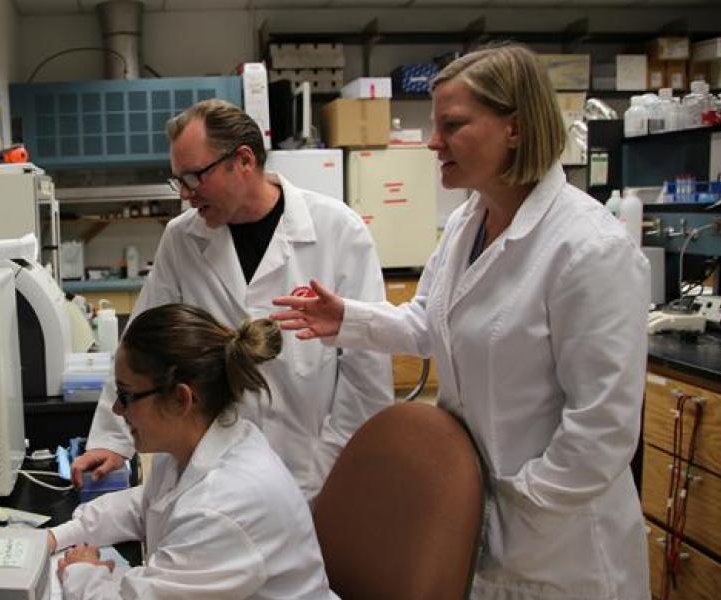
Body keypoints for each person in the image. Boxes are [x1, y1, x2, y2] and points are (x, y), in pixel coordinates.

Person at [272, 43, 650, 599]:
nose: (431, 141)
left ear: (514, 129)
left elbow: (602, 430)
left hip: (559, 547)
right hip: (479, 526)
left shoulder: (588, 248)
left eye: (452, 125)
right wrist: (345, 318)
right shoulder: (467, 222)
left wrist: (516, 509)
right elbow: (430, 322)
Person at [72, 99, 393, 499]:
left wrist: (330, 464)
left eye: (194, 177)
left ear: (242, 161)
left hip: (313, 467)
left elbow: (367, 372)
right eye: (179, 180)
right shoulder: (182, 238)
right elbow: (140, 343)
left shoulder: (337, 230)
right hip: (208, 468)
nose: (186, 195)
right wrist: (111, 439)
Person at [48, 304, 338, 599]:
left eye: (126, 395)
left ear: (180, 399)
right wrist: (59, 535)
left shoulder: (222, 506)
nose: (117, 409)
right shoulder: (204, 442)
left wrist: (81, 573)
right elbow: (147, 505)